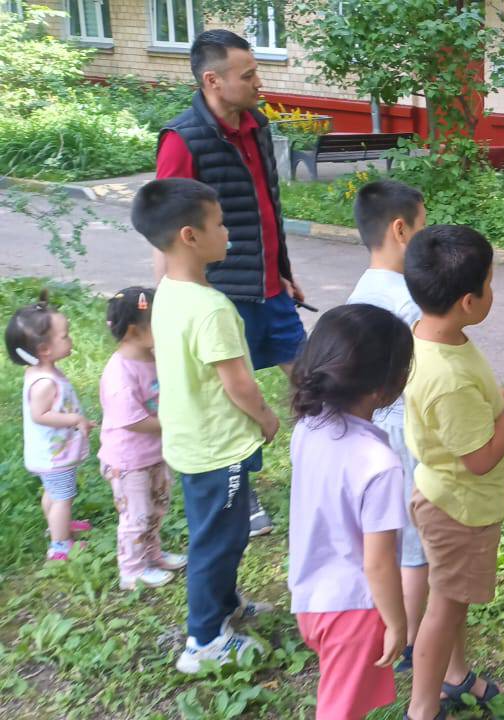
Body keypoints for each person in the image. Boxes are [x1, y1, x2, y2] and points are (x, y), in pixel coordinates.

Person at [154, 29, 303, 537]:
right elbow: (167, 231)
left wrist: (282, 268)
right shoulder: (182, 139)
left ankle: (329, 459)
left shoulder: (256, 123)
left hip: (270, 285)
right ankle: (246, 491)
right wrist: (167, 301)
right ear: (213, 81)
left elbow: (266, 207)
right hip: (223, 294)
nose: (259, 81)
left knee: (310, 375)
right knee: (231, 396)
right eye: (249, 74)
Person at [132, 177, 279, 672]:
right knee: (219, 540)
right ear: (189, 236)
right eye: (218, 223)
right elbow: (239, 385)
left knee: (217, 533)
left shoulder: (168, 292)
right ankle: (204, 642)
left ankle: (223, 606)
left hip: (192, 442)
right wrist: (266, 417)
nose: (227, 232)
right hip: (219, 449)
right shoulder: (211, 308)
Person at [402, 225, 504, 720]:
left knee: (451, 596)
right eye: (489, 283)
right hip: (459, 509)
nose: (492, 292)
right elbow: (479, 457)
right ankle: (423, 707)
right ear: (467, 300)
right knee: (446, 608)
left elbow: (462, 424)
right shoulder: (448, 377)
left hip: (444, 495)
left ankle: (455, 677)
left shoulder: (435, 340)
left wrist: (502, 406)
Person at [288, 304, 415, 720]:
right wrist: (397, 623)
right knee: (339, 712)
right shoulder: (378, 463)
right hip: (355, 611)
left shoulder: (308, 428)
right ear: (386, 387)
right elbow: (378, 562)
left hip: (311, 598)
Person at [346, 179, 430, 672]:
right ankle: (413, 642)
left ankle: (388, 622)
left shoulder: (360, 291)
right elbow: (426, 377)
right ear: (400, 229)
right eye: (423, 225)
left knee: (383, 533)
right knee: (413, 548)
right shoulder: (408, 302)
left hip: (369, 427)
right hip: (406, 431)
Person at [98, 287, 188, 590]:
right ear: (136, 330)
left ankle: (153, 554)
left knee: (157, 507)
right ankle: (132, 570)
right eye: (159, 322)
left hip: (155, 454)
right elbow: (131, 420)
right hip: (129, 461)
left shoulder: (152, 356)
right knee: (136, 515)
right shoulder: (119, 373)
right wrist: (173, 422)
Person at [5, 290, 93, 562]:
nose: (70, 339)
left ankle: (57, 524)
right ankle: (60, 544)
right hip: (55, 456)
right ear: (43, 350)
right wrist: (75, 420)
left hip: (49, 454)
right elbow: (40, 415)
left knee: (53, 494)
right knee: (63, 497)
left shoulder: (40, 370)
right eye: (64, 336)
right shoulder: (45, 382)